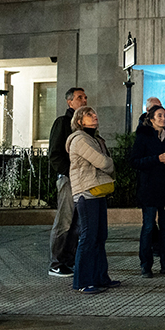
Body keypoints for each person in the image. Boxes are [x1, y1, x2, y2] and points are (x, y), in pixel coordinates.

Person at [66, 106, 118, 294]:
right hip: (86, 192)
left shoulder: (94, 139)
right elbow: (103, 162)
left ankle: (100, 277)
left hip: (96, 191)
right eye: (89, 115)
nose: (95, 116)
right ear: (79, 121)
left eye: (94, 114)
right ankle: (83, 281)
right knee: (88, 236)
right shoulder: (80, 139)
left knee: (100, 236)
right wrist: (110, 163)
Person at [131, 105, 165, 278]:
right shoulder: (143, 136)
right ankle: (146, 265)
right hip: (149, 189)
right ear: (151, 119)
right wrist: (156, 159)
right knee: (148, 226)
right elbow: (135, 161)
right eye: (159, 115)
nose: (163, 118)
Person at [48, 87, 87, 277]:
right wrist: (69, 172)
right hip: (69, 178)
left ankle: (69, 259)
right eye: (79, 97)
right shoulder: (63, 123)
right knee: (64, 221)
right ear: (69, 101)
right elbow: (55, 154)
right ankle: (56, 263)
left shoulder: (83, 125)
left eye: (85, 97)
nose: (84, 100)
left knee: (77, 222)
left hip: (82, 180)